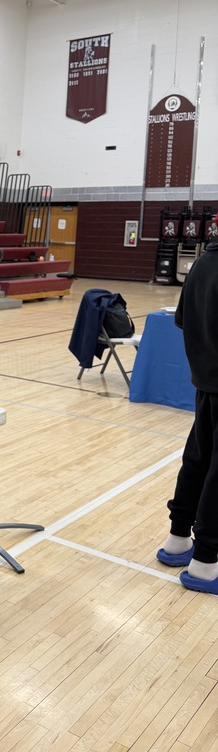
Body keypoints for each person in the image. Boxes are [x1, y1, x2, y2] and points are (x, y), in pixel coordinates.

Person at [157, 224, 218, 593]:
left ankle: (178, 540)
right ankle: (206, 563)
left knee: (198, 459)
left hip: (204, 382)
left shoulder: (200, 263)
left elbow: (182, 321)